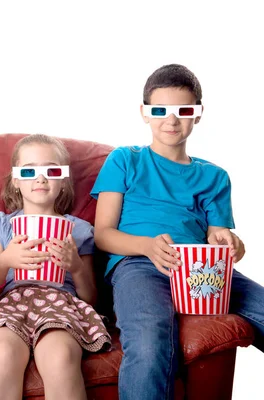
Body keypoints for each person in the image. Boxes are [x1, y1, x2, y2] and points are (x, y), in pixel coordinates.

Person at [91, 63, 264, 399]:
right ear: (145, 113)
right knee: (149, 337)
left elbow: (217, 235)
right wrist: (146, 246)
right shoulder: (125, 160)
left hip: (200, 267)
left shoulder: (215, 177)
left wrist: (229, 242)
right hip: (138, 263)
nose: (171, 120)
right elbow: (103, 234)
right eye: (161, 110)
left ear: (197, 114)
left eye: (183, 110)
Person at [0, 134, 111, 400]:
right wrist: (4, 261)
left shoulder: (80, 230)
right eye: (29, 171)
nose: (40, 178)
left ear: (63, 180)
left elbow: (91, 298)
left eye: (51, 170)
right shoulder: (0, 228)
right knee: (3, 353)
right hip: (10, 303)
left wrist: (75, 267)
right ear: (16, 180)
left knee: (59, 355)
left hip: (61, 304)